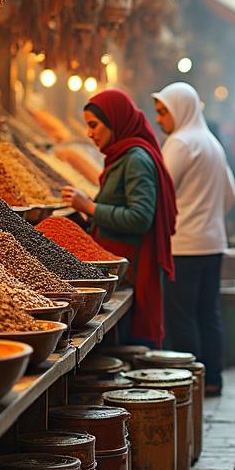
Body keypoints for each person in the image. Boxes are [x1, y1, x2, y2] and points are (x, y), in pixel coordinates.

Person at [61, 89, 177, 349]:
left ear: (115, 122)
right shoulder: (122, 155)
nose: (89, 133)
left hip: (128, 268)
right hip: (117, 265)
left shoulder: (136, 159)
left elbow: (140, 217)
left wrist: (90, 207)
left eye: (94, 125)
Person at [153, 81, 235, 396]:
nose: (160, 119)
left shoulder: (180, 143)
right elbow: (231, 195)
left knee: (182, 316)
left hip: (185, 245)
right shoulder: (212, 143)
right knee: (208, 312)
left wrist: (185, 217)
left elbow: (162, 191)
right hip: (213, 243)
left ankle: (191, 381)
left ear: (181, 109)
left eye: (164, 112)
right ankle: (213, 377)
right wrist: (210, 217)